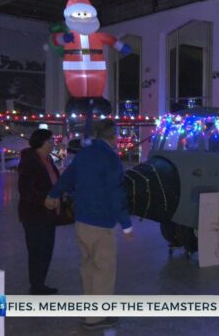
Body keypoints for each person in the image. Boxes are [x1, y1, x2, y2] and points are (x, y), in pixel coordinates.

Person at [45, 119, 133, 330]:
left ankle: (89, 311)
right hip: (101, 222)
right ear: (113, 137)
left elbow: (68, 176)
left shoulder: (85, 153)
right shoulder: (111, 158)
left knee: (88, 267)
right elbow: (115, 193)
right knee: (104, 268)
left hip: (82, 220)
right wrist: (126, 224)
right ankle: (96, 318)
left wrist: (53, 193)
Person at [18, 129, 60, 295]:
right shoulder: (30, 161)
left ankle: (40, 283)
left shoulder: (47, 159)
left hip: (49, 214)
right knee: (37, 250)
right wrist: (45, 198)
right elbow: (26, 189)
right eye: (51, 140)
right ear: (41, 142)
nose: (53, 143)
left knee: (46, 249)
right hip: (35, 214)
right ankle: (36, 285)